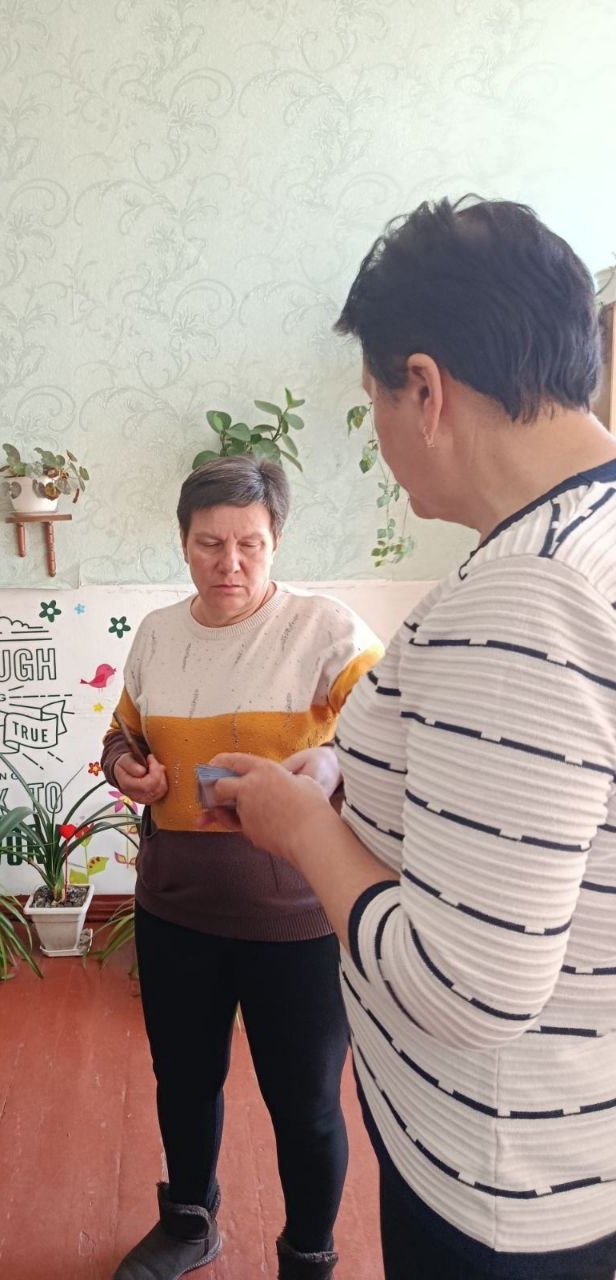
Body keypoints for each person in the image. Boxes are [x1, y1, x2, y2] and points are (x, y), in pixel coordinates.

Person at [207, 198, 616, 1279]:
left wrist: (302, 825)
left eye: (374, 401)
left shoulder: (528, 594)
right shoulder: (588, 540)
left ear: (424, 389)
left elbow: (467, 985)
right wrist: (350, 769)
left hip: (502, 1174)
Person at [102, 456, 383, 1280]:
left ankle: (309, 1255)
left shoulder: (324, 629)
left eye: (249, 544)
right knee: (183, 1079)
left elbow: (395, 733)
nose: (230, 563)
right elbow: (122, 736)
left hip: (297, 917)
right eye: (209, 544)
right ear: (183, 543)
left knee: (305, 1102)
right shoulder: (159, 634)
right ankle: (189, 1223)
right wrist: (127, 767)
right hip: (176, 908)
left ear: (275, 542)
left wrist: (332, 765)